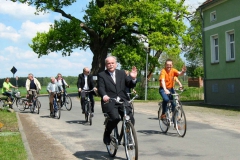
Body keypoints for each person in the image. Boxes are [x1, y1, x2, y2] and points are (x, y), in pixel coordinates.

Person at [98, 56, 137, 145]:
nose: (111, 65)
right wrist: (104, 95)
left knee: (130, 119)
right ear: (106, 65)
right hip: (110, 101)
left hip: (123, 100)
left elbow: (129, 84)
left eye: (112, 63)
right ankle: (107, 133)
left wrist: (133, 79)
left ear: (116, 64)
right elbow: (101, 87)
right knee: (115, 118)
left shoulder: (122, 73)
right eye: (108, 63)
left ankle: (128, 137)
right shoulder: (102, 75)